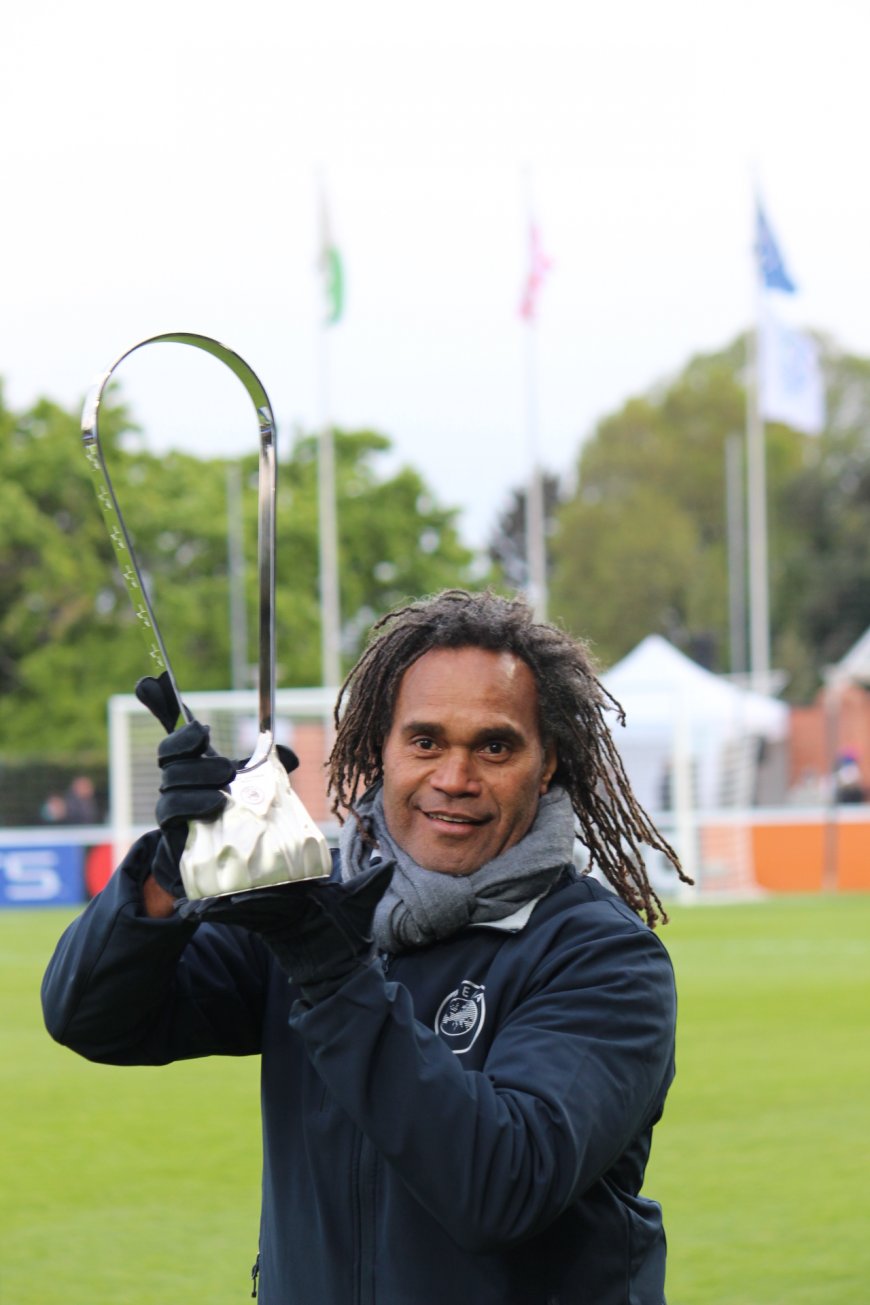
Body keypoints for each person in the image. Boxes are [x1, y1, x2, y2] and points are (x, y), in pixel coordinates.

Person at [42, 589, 691, 1304]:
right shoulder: (318, 908)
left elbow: (503, 1186)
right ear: (382, 748)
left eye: (495, 745)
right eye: (426, 740)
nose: (454, 777)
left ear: (546, 763)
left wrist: (328, 966)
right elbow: (92, 1016)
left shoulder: (602, 956)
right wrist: (171, 866)